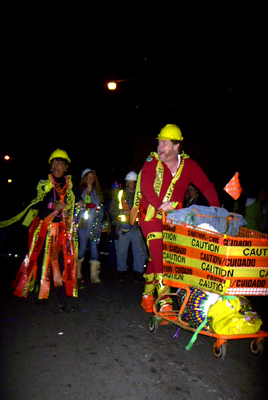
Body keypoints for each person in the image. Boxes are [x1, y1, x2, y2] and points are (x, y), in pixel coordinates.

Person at [131, 124, 219, 314]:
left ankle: (147, 296)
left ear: (177, 146)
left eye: (164, 143)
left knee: (157, 256)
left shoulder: (189, 165)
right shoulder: (151, 161)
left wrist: (218, 213)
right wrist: (159, 204)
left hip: (173, 220)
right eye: (159, 142)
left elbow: (207, 187)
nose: (159, 147)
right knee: (160, 254)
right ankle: (164, 304)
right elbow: (146, 185)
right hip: (150, 215)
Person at [0, 149, 80, 312]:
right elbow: (36, 203)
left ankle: (62, 298)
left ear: (66, 167)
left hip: (64, 231)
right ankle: (42, 294)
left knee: (64, 263)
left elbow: (77, 201)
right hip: (46, 229)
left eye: (60, 163)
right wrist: (52, 205)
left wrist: (78, 204)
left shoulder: (71, 186)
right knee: (45, 262)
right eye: (54, 163)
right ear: (50, 167)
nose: (56, 166)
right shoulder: (43, 184)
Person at [109, 172, 147, 282]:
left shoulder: (140, 196)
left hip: (136, 228)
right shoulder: (120, 194)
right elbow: (112, 210)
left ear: (135, 183)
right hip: (123, 229)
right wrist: (123, 213)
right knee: (121, 251)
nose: (129, 184)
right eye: (128, 182)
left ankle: (138, 273)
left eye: (132, 182)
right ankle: (121, 273)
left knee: (139, 251)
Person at [77, 168, 104, 283]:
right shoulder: (80, 191)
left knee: (94, 249)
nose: (90, 179)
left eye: (92, 177)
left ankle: (94, 276)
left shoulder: (97, 191)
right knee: (82, 249)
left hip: (94, 225)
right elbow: (79, 204)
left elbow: (100, 207)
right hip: (83, 225)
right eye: (88, 177)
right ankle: (76, 272)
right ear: (84, 178)